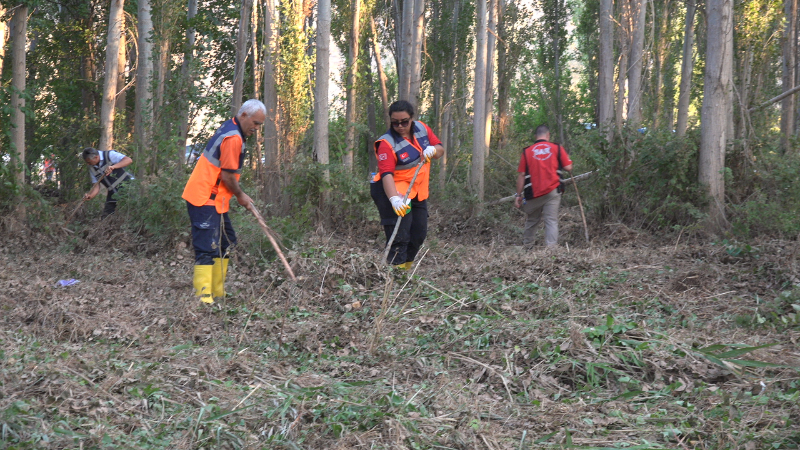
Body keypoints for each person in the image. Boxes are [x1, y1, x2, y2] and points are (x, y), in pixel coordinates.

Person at [182, 99, 265, 304]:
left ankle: (218, 292)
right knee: (207, 247)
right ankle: (203, 296)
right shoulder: (233, 137)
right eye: (255, 123)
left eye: (259, 125)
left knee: (226, 243)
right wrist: (241, 195)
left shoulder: (232, 127)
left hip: (217, 200)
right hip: (204, 199)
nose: (256, 128)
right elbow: (228, 177)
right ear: (244, 115)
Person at [371, 100, 444, 269]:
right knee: (400, 237)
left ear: (412, 118)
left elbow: (440, 148)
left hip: (416, 191)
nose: (400, 126)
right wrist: (394, 200)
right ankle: (395, 277)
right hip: (392, 193)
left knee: (418, 234)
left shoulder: (422, 129)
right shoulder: (386, 144)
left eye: (404, 121)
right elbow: (386, 175)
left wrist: (433, 151)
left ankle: (404, 271)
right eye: (395, 122)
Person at [514, 124, 573, 247]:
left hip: (533, 193)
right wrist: (568, 158)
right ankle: (551, 251)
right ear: (548, 135)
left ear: (535, 136)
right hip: (552, 191)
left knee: (532, 220)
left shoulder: (527, 151)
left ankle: (527, 246)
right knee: (551, 221)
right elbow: (568, 167)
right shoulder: (557, 148)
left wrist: (518, 195)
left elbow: (521, 175)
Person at [82, 147, 134, 218]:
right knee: (106, 216)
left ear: (96, 157)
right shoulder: (92, 168)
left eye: (89, 162)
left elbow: (128, 160)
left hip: (128, 187)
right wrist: (90, 196)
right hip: (113, 192)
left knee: (132, 210)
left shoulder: (110, 155)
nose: (88, 164)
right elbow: (96, 186)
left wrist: (113, 167)